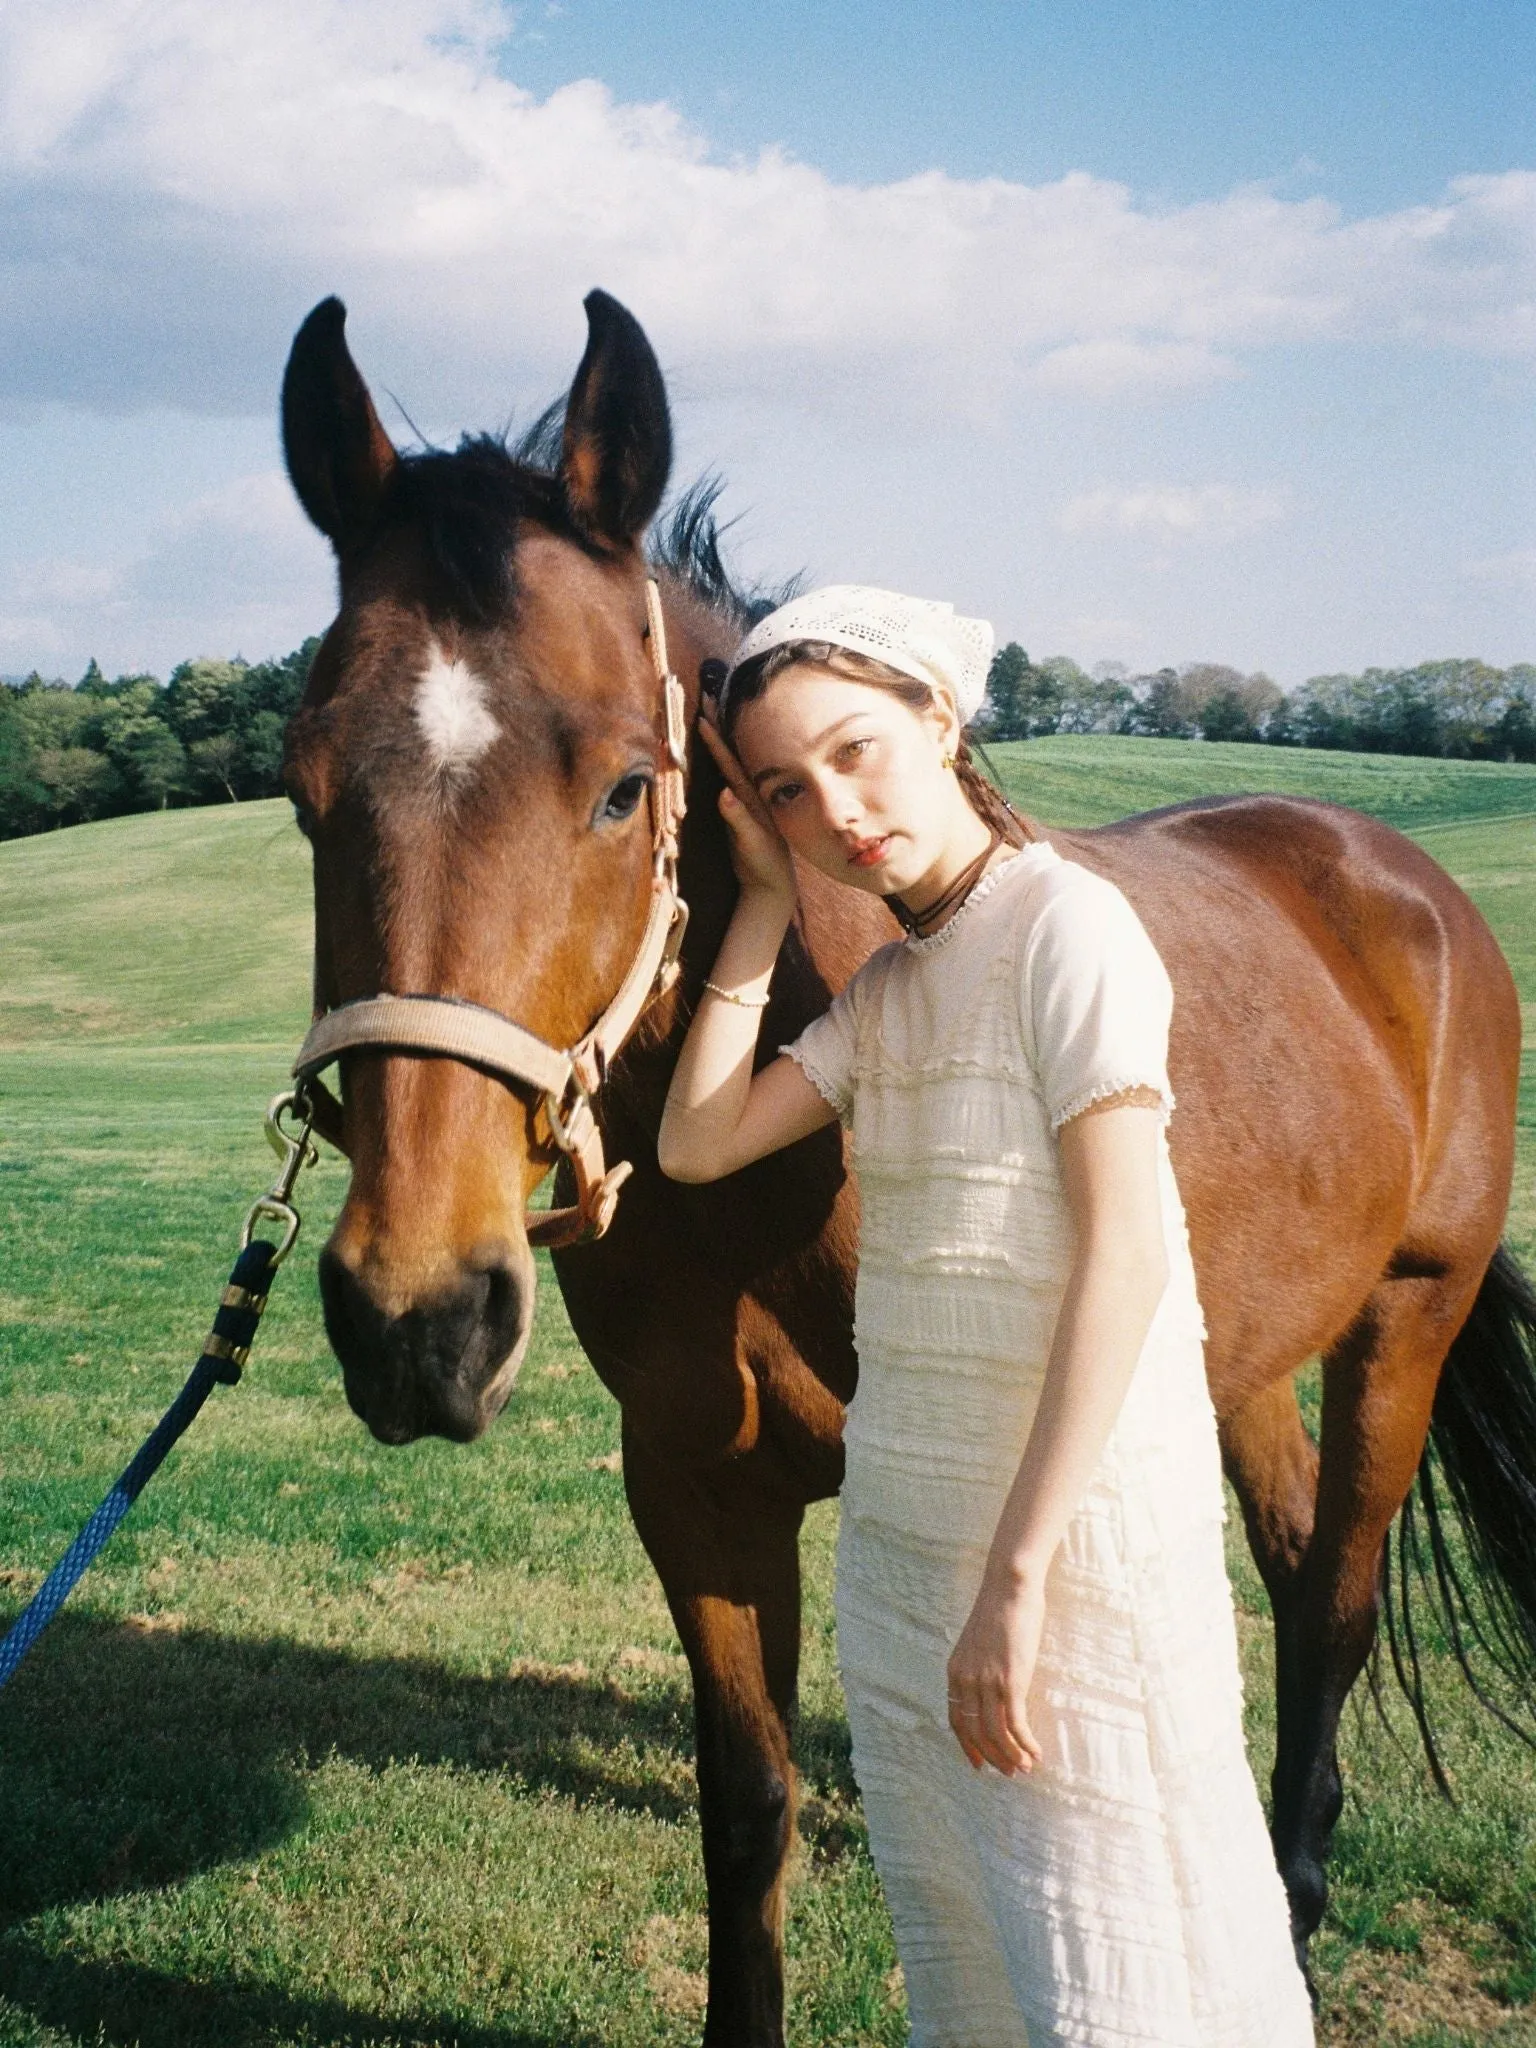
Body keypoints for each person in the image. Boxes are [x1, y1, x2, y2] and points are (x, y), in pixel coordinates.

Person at [657, 585, 1315, 2047]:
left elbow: (1128, 1259)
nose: (835, 807)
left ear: (940, 719)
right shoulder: (893, 990)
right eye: (786, 790)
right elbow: (697, 1143)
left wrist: (1018, 1581)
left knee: (1114, 1931)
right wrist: (763, 905)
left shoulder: (1068, 928)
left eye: (855, 751)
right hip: (914, 1535)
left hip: (1061, 1542)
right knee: (976, 1932)